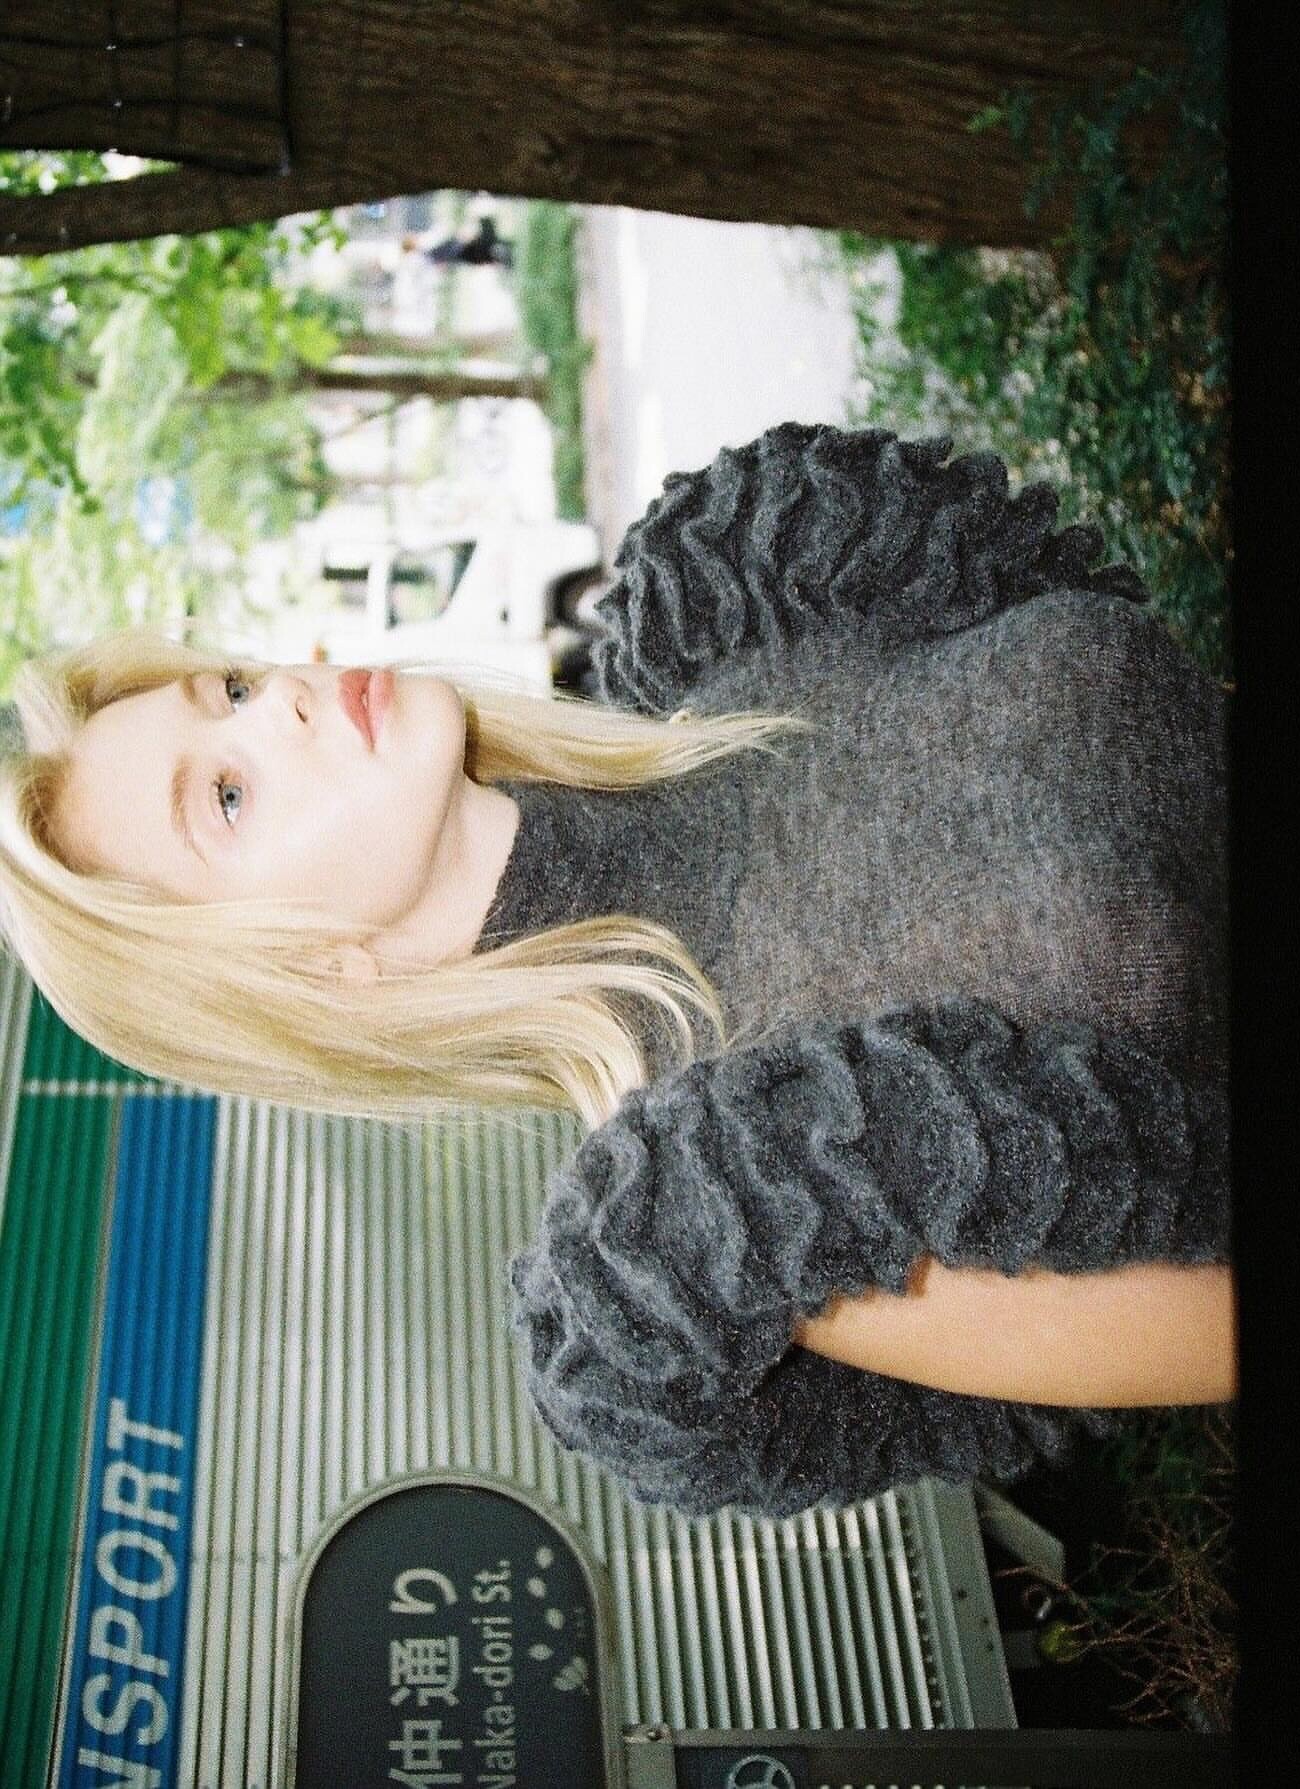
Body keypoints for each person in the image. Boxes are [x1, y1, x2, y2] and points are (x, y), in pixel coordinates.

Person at [0, 424, 1233, 1520]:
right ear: (312, 973)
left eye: (227, 689)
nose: (281, 703)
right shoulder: (723, 1204)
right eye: (227, 794)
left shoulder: (746, 595)